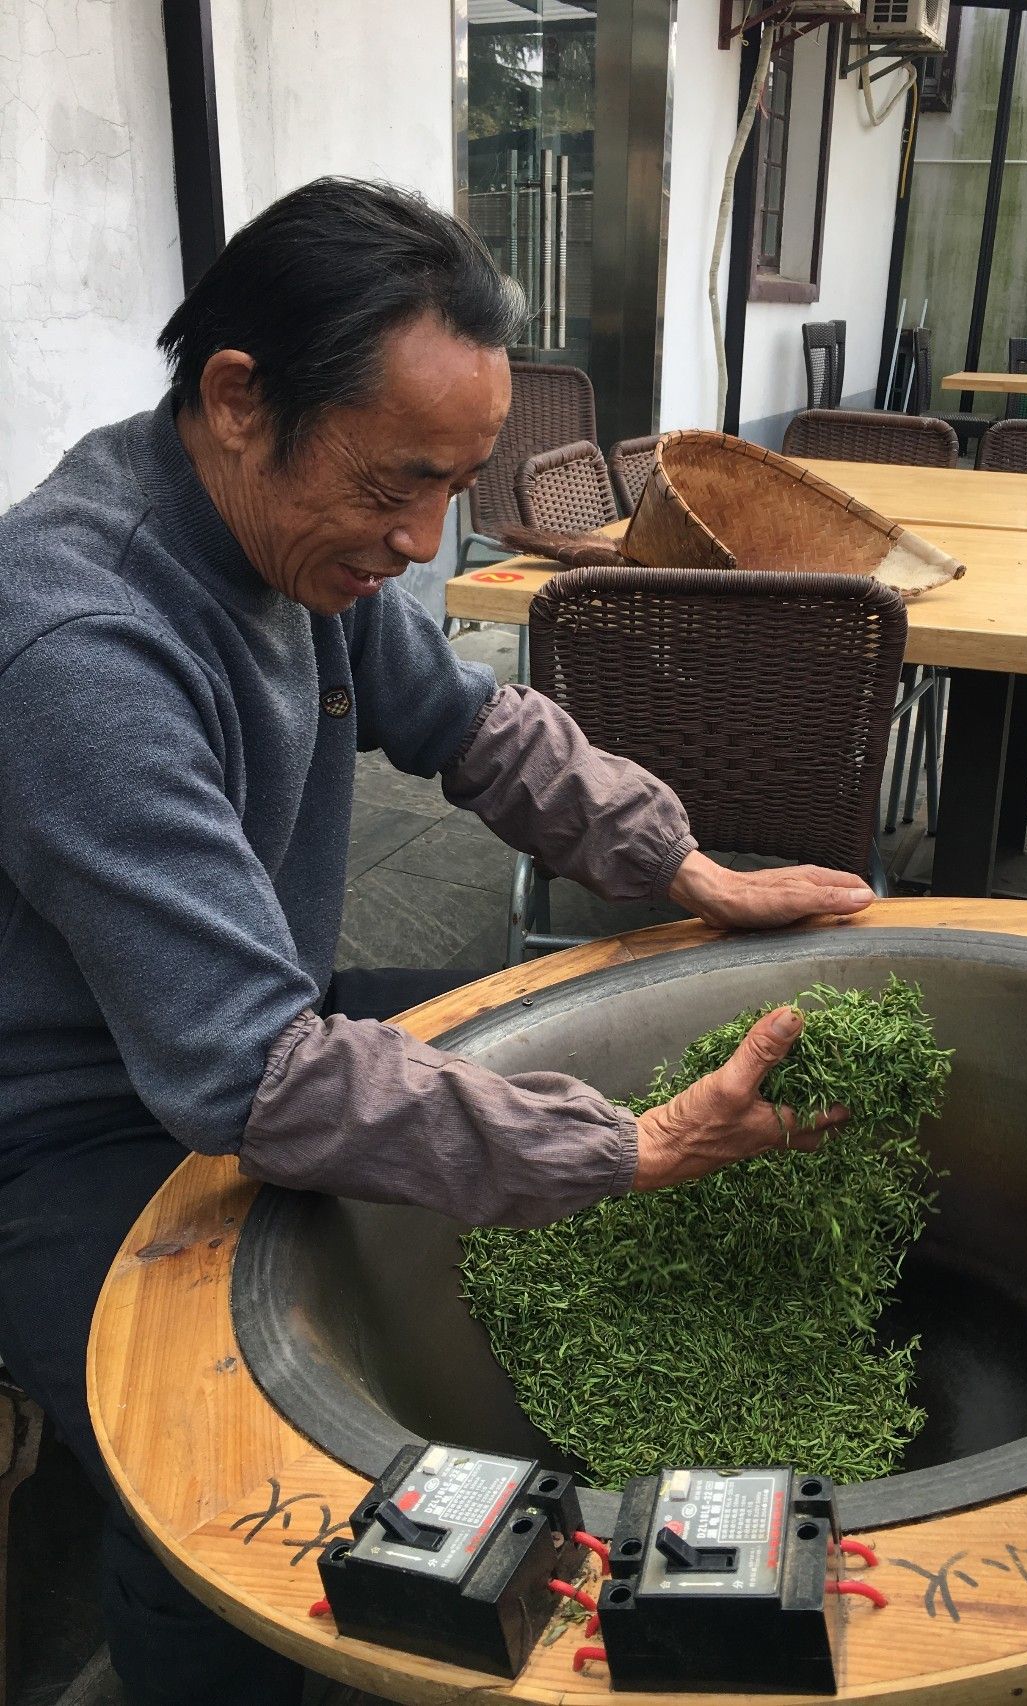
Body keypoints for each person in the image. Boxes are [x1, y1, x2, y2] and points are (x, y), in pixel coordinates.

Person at [0, 178, 873, 1704]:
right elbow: (252, 1081)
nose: (418, 540)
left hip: (258, 1015)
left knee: (609, 1042)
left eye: (456, 488)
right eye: (395, 484)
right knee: (213, 1502)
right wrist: (630, 1141)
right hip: (69, 1128)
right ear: (235, 398)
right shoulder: (84, 643)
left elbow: (475, 723)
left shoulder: (299, 537)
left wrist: (685, 864)